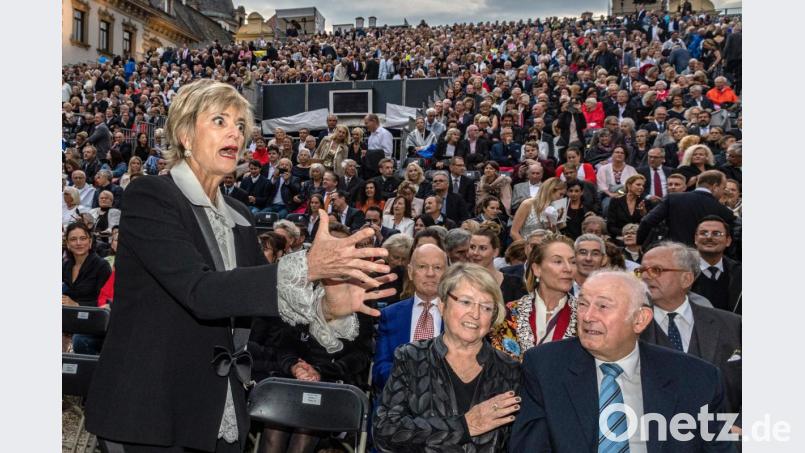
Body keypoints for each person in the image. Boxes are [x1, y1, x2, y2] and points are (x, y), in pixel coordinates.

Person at [85, 80, 396, 453]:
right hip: (150, 410)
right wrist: (307, 267)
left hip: (218, 408)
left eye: (240, 125)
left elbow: (259, 309)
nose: (235, 131)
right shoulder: (151, 195)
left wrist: (326, 308)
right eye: (219, 120)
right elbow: (200, 292)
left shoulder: (240, 215)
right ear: (184, 133)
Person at [510, 270, 735, 452]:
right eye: (583, 304)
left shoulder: (697, 379)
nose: (588, 316)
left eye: (603, 306)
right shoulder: (545, 367)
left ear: (639, 319)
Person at [374, 262, 521, 452]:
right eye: (466, 302)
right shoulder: (411, 357)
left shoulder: (509, 369)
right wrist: (465, 426)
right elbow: (385, 432)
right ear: (442, 305)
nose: (475, 314)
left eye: (486, 307)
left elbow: (520, 441)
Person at [638, 242, 742, 418]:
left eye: (656, 270)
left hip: (722, 436)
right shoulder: (629, 327)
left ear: (686, 279)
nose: (646, 277)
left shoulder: (733, 325)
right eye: (641, 271)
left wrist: (741, 423)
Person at [490, 234, 578, 360]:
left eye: (573, 262)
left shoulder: (585, 315)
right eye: (558, 261)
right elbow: (503, 365)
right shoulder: (509, 313)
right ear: (537, 269)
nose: (568, 269)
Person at [373, 244, 448, 391]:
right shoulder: (390, 315)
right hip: (398, 402)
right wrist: (414, 382)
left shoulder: (459, 315)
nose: (430, 273)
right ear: (411, 272)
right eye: (422, 267)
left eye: (438, 267)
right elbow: (380, 370)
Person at [637, 170, 736, 246]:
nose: (723, 192)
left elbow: (647, 222)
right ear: (715, 186)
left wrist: (639, 244)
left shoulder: (673, 198)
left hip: (673, 253)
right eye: (723, 188)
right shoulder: (724, 212)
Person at [691, 216, 742, 313]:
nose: (709, 237)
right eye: (703, 233)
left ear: (728, 241)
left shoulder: (739, 273)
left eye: (717, 233)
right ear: (695, 239)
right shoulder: (680, 271)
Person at [469, 223, 526, 304]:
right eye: (472, 247)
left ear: (495, 252)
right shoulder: (459, 281)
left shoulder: (515, 283)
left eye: (482, 248)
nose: (475, 252)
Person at [606, 174, 651, 241]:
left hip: (639, 238)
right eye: (638, 185)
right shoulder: (616, 201)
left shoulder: (645, 202)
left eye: (643, 186)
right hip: (619, 237)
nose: (641, 187)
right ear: (629, 185)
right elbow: (610, 226)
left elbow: (648, 225)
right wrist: (626, 234)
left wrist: (643, 214)